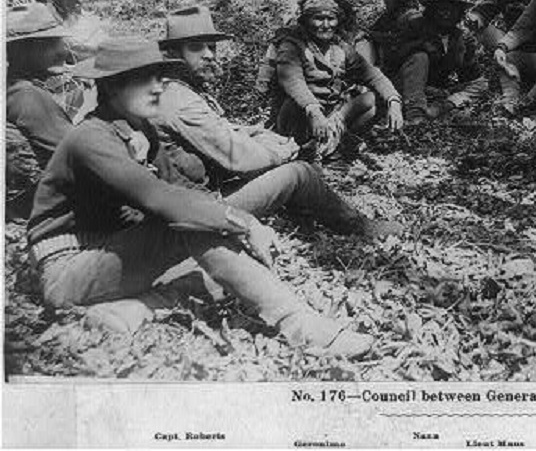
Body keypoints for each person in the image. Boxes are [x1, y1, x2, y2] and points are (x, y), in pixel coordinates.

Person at [26, 37, 373, 356]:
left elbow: (184, 191)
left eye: (160, 76)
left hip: (115, 253)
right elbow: (165, 201)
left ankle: (135, 308)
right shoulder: (91, 138)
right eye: (146, 78)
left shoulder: (140, 130)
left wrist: (236, 230)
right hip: (69, 269)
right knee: (198, 230)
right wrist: (240, 221)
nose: (159, 85)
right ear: (113, 86)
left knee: (232, 263)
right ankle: (300, 324)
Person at [153, 5, 386, 237]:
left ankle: (305, 220)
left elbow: (218, 131)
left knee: (279, 159)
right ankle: (359, 227)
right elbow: (239, 159)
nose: (209, 55)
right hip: (200, 211)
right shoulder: (180, 99)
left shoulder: (177, 90)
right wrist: (285, 152)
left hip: (197, 197)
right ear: (174, 54)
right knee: (298, 173)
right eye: (196, 48)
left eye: (211, 47)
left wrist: (255, 133)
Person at [272, 0, 402, 157]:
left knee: (373, 99)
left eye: (331, 19)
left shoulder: (340, 47)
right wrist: (313, 110)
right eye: (318, 18)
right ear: (306, 21)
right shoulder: (292, 45)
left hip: (332, 112)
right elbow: (292, 81)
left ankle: (339, 139)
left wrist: (394, 100)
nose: (326, 25)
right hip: (302, 115)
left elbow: (372, 74)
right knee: (294, 105)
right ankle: (304, 148)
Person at [381, 0, 489, 124]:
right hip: (403, 85)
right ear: (432, 10)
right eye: (441, 9)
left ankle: (441, 107)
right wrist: (421, 45)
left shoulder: (458, 37)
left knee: (482, 84)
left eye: (451, 10)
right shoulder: (414, 26)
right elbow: (392, 60)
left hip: (436, 89)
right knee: (420, 57)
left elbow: (471, 77)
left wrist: (466, 55)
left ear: (458, 13)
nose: (446, 14)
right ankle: (415, 113)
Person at [6, 4, 74, 169]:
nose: (63, 50)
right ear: (23, 50)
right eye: (50, 43)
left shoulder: (13, 86)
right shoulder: (25, 95)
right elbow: (83, 152)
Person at [355, 0, 420, 67]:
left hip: (407, 65)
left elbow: (400, 39)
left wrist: (376, 35)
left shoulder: (413, 17)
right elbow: (373, 30)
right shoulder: (387, 16)